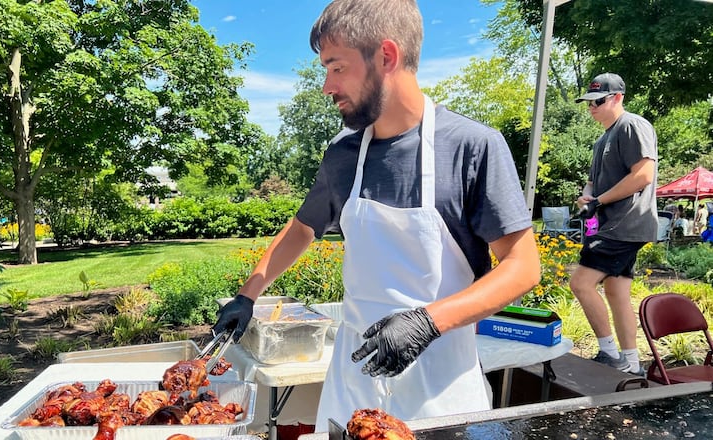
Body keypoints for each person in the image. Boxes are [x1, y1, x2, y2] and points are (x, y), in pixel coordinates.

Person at [212, 0, 541, 429]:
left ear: (386, 56)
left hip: (439, 386)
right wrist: (248, 294)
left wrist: (427, 322)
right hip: (353, 382)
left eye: (336, 67)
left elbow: (522, 267)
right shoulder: (343, 155)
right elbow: (302, 228)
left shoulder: (471, 146)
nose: (327, 86)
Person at [571, 73, 658, 376]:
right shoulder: (602, 139)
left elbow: (643, 175)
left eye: (598, 101)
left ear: (618, 97)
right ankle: (631, 363)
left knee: (580, 284)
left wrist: (600, 201)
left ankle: (609, 353)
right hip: (613, 224)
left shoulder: (633, 125)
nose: (591, 107)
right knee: (616, 291)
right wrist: (586, 197)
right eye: (588, 102)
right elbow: (592, 183)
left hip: (624, 224)